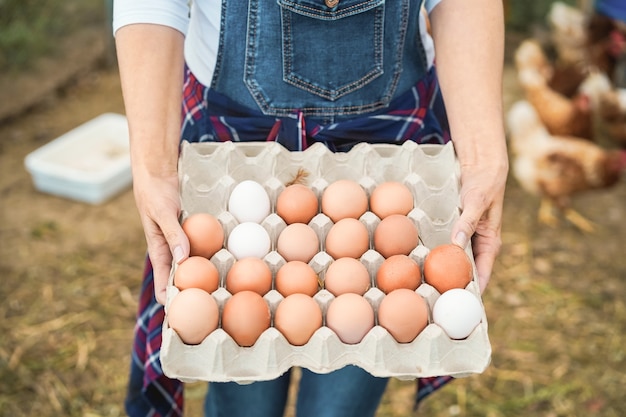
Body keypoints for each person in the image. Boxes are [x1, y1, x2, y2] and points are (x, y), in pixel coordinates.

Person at [113, 0, 508, 416]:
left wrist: (482, 154)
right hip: (235, 137)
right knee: (241, 377)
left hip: (386, 148)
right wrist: (154, 165)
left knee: (350, 373)